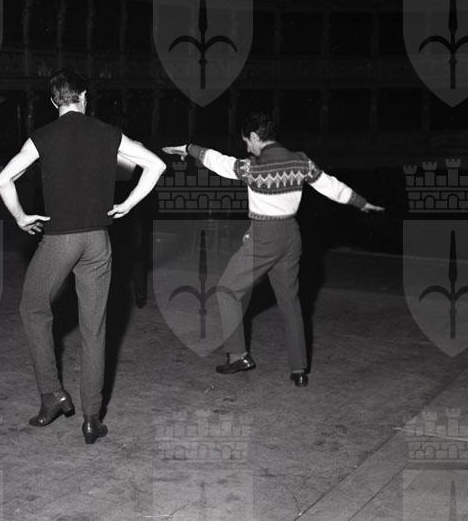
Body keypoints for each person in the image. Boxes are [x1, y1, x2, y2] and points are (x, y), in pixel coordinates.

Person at [0, 69, 165, 444]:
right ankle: (92, 417)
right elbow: (156, 165)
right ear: (84, 96)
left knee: (33, 308)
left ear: (53, 101)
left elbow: (3, 179)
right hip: (98, 242)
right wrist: (128, 203)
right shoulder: (107, 132)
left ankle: (52, 394)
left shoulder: (42, 137)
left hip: (60, 240)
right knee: (94, 328)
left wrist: (21, 217)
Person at [163, 111, 383, 387]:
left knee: (227, 290)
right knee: (290, 302)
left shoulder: (252, 167)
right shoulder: (300, 160)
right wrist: (361, 202)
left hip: (265, 237)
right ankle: (299, 369)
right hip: (291, 236)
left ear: (256, 137)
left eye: (247, 141)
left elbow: (218, 161)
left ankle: (238, 356)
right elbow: (330, 186)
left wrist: (187, 148)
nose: (247, 147)